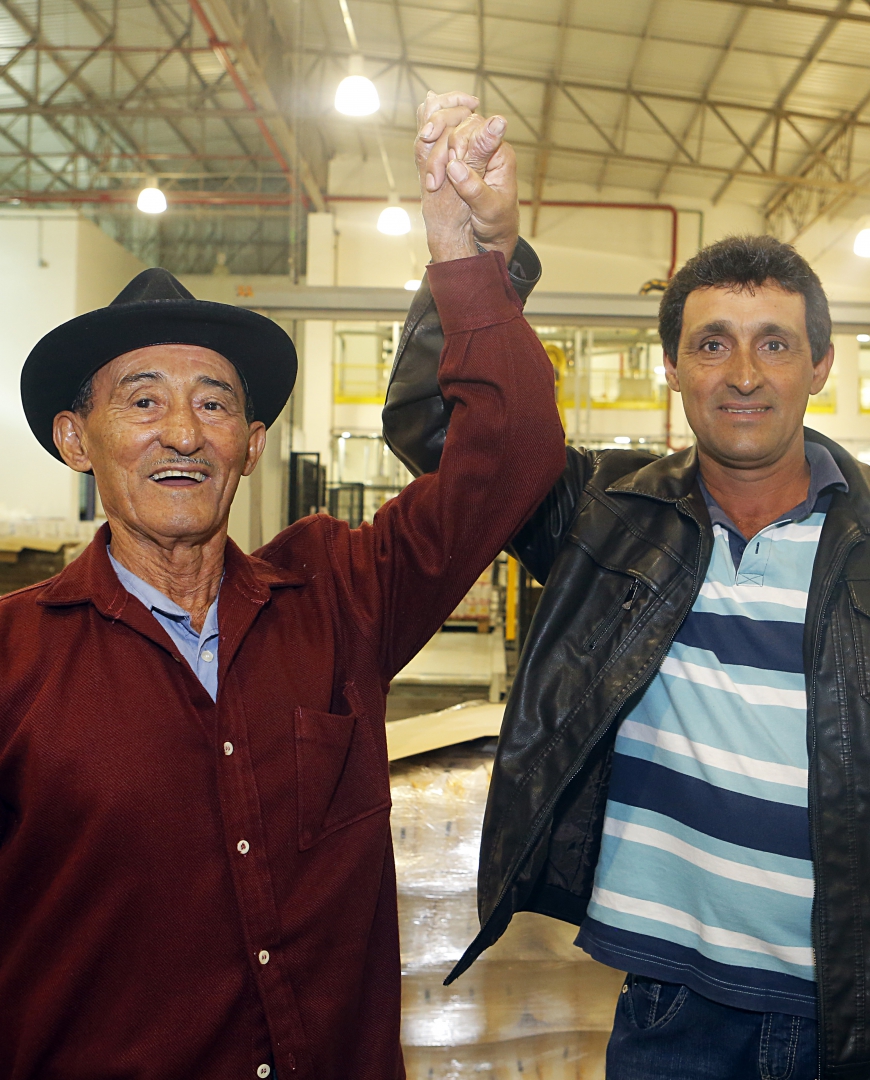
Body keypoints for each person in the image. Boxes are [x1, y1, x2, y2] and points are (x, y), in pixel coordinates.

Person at [0, 93, 565, 1080]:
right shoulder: (15, 660)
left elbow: (511, 456)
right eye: (143, 401)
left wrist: (466, 262)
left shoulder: (339, 598)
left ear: (251, 444)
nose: (183, 432)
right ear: (76, 439)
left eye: (214, 403)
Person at [385, 159, 870, 1075]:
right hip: (669, 1013)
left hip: (847, 1014)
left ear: (820, 364)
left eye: (773, 343)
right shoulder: (608, 518)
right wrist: (483, 260)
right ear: (673, 367)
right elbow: (438, 432)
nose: (744, 375)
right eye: (712, 344)